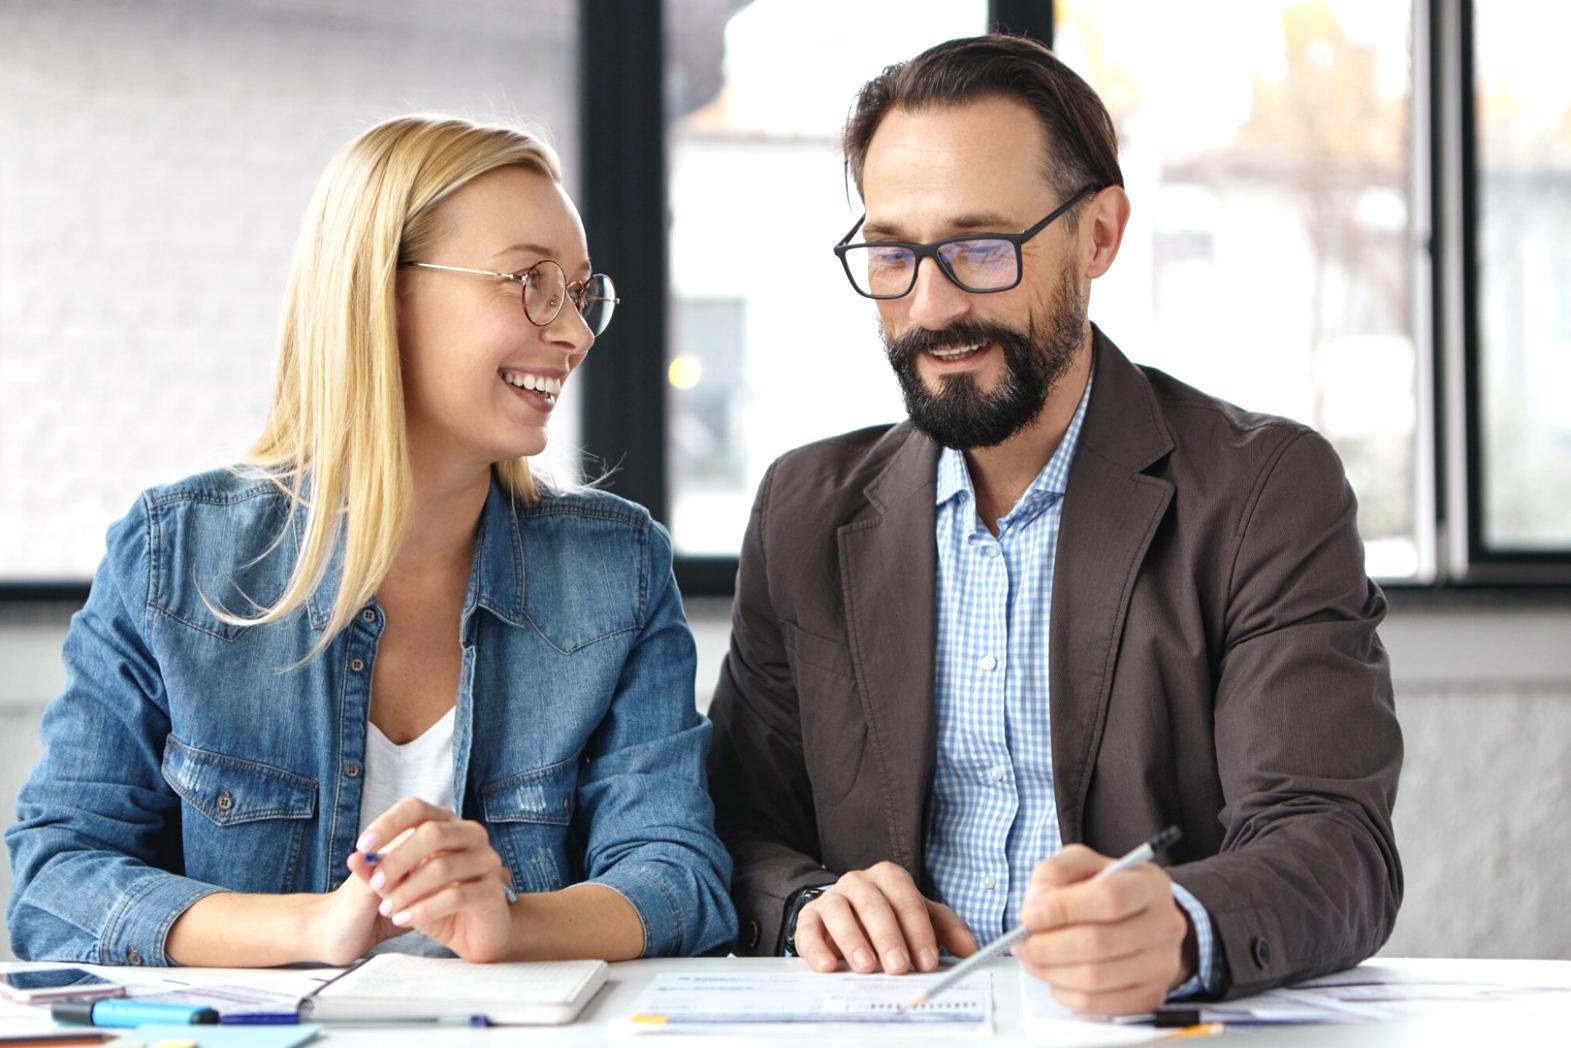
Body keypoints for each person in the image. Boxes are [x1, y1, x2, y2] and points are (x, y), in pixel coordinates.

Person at [707, 34, 1401, 1014]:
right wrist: (807, 903)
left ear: (1099, 235)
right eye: (893, 253)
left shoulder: (1261, 491)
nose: (930, 306)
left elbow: (1333, 841)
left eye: (980, 248)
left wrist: (1179, 925)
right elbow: (733, 828)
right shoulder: (802, 509)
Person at [7, 114, 735, 967]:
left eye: (579, 293)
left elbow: (678, 875)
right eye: (531, 282)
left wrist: (509, 923)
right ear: (379, 292)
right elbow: (57, 883)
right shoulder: (176, 557)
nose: (574, 334)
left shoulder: (618, 567)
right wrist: (313, 927)